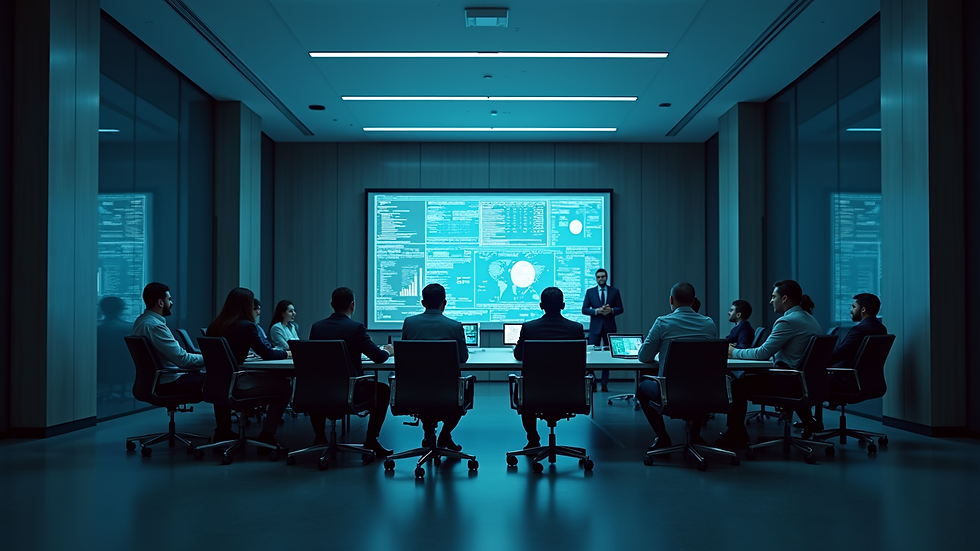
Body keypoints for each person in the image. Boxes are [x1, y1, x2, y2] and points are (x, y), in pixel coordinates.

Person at [716, 279, 823, 448]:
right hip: (804, 382)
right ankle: (807, 420)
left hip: (789, 382)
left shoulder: (787, 321)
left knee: (736, 386)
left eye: (774, 297)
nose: (771, 301)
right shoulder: (809, 318)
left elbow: (762, 353)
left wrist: (732, 352)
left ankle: (736, 434)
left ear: (785, 299)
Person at [308, 287, 394, 457]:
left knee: (318, 386)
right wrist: (388, 351)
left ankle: (319, 436)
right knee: (382, 390)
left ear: (332, 304)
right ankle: (371, 439)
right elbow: (378, 357)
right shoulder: (355, 328)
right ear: (353, 305)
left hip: (319, 391)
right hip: (350, 392)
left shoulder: (316, 328)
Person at [635, 282, 718, 450]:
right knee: (697, 385)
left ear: (671, 300)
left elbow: (644, 357)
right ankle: (695, 435)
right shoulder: (709, 323)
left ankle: (662, 437)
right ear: (694, 301)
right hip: (705, 391)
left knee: (642, 387)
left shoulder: (662, 323)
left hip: (670, 392)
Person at [207, 287, 292, 451]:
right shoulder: (246, 326)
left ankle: (223, 431)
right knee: (284, 386)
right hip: (238, 384)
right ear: (246, 305)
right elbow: (266, 353)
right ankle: (267, 436)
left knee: (223, 378)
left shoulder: (214, 326)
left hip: (215, 385)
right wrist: (285, 353)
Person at [132, 283, 222, 436]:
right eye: (169, 299)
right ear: (161, 302)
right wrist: (214, 357)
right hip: (169, 382)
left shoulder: (141, 321)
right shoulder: (155, 327)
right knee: (221, 381)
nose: (171, 303)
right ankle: (224, 432)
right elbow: (182, 360)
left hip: (156, 380)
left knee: (210, 377)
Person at [513, 287, 585, 448]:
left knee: (525, 390)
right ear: (563, 305)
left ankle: (533, 439)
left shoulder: (529, 328)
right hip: (569, 393)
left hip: (534, 393)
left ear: (541, 305)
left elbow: (518, 355)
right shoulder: (575, 329)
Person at [401, 283, 470, 451]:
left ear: (423, 303)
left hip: (414, 391)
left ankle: (428, 434)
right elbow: (463, 358)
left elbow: (405, 356)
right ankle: (444, 435)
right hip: (448, 392)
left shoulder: (409, 323)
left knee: (425, 385)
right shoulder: (454, 326)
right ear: (444, 303)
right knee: (464, 392)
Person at [828, 293, 887, 394]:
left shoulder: (859, 330)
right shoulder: (881, 329)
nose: (852, 311)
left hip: (847, 381)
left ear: (863, 310)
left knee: (811, 380)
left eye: (854, 307)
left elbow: (839, 354)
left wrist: (818, 362)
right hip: (871, 381)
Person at [581, 268, 623, 391]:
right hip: (595, 327)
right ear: (596, 278)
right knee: (591, 355)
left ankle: (605, 383)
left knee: (608, 355)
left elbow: (621, 308)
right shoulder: (590, 292)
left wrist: (612, 310)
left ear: (606, 277)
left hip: (609, 327)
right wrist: (596, 311)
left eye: (603, 276)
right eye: (598, 277)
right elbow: (584, 309)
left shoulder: (614, 291)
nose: (601, 279)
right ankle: (592, 381)